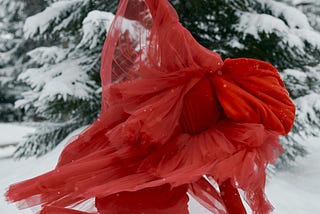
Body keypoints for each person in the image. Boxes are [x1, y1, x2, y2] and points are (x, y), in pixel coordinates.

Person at [5, 0, 296, 213]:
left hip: (129, 195)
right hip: (153, 198)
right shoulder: (225, 129)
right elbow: (227, 184)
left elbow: (169, 28)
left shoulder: (197, 76)